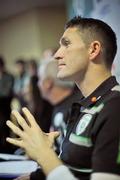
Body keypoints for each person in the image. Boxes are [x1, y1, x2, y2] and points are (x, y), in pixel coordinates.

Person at [6, 16, 120, 180]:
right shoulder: (85, 105)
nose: (57, 55)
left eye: (66, 44)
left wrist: (45, 155)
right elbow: (72, 170)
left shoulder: (115, 106)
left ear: (93, 49)